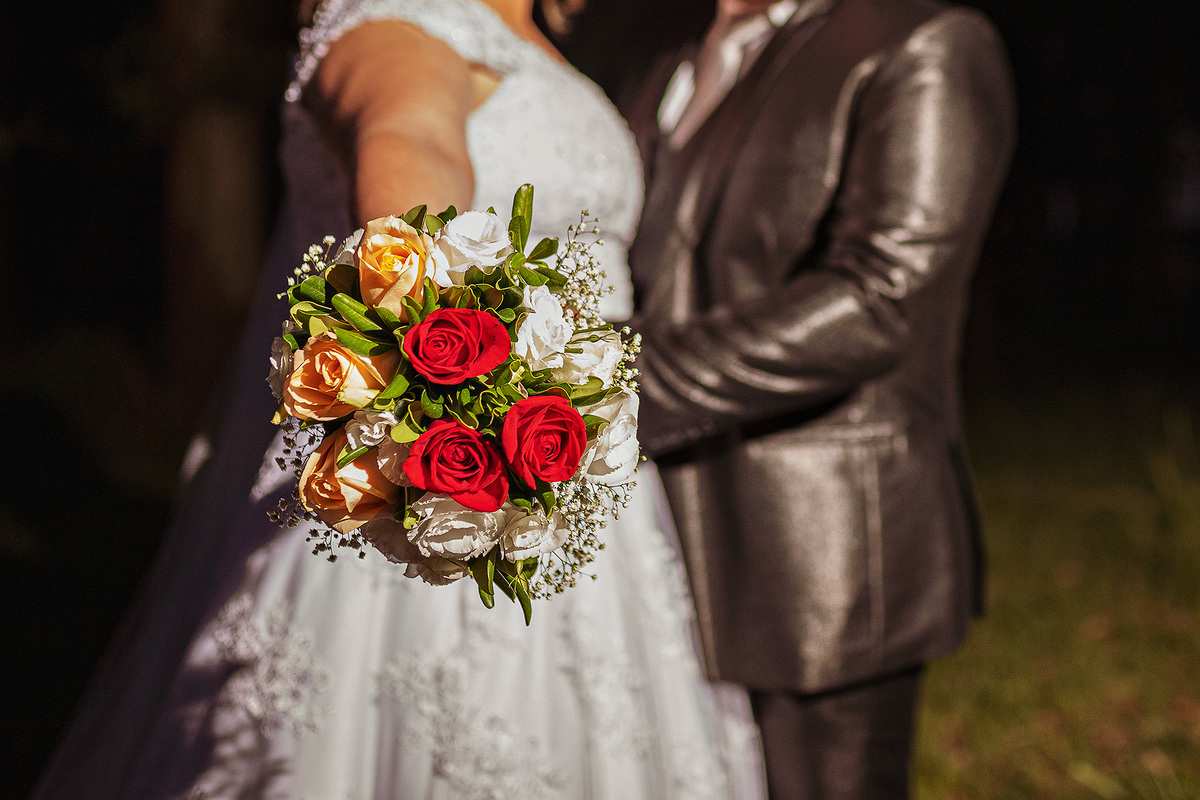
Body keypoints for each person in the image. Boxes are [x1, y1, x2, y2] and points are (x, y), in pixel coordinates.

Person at [30, 1, 767, 798]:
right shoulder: (394, 19)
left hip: (592, 496)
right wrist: (452, 374)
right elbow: (410, 145)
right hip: (442, 484)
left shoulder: (548, 42)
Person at [622, 0, 1016, 797]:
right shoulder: (661, 64)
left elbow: (883, 299)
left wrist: (607, 384)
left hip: (822, 556)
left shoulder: (922, 40)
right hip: (651, 534)